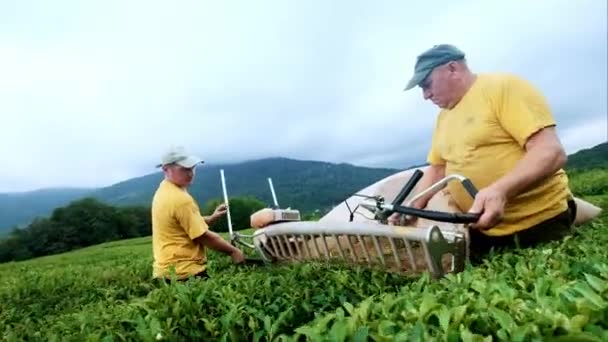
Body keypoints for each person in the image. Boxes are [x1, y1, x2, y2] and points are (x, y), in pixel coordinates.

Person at [389, 44, 576, 263]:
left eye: (427, 85)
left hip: (537, 221)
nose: (426, 95)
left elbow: (550, 151)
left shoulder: (503, 88)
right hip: (480, 228)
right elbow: (438, 168)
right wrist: (412, 207)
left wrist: (500, 190)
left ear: (452, 69)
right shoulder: (444, 118)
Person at [151, 145, 245, 281]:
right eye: (184, 169)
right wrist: (233, 251)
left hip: (165, 271)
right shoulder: (180, 199)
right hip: (184, 273)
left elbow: (183, 223)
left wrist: (212, 218)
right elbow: (203, 236)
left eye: (192, 168)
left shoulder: (164, 190)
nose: (190, 173)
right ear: (166, 169)